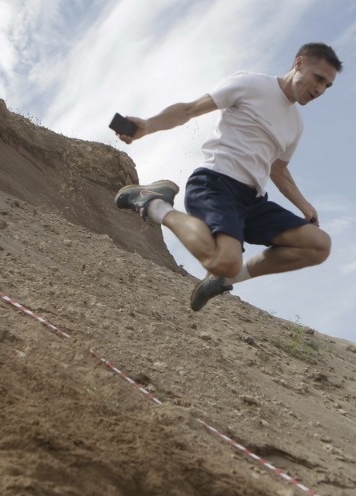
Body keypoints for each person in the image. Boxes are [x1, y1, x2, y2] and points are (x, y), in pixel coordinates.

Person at [113, 43, 342, 311]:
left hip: (252, 201)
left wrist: (304, 206)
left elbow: (278, 169)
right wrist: (148, 125)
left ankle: (224, 279)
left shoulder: (296, 125)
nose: (320, 90)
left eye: (327, 86)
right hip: (215, 182)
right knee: (225, 260)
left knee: (318, 245)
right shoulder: (251, 85)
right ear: (299, 64)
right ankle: (153, 203)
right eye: (318, 78)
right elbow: (189, 110)